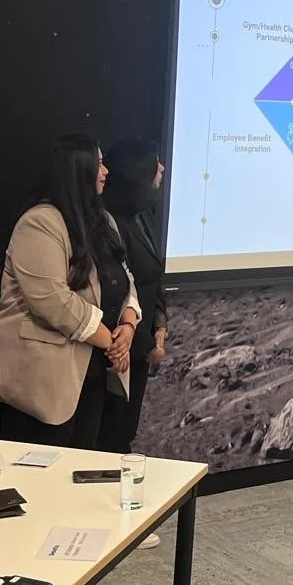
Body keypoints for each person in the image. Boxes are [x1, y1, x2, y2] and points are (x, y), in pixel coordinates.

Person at [0, 134, 142, 449]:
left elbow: (125, 278)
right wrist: (112, 343)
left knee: (82, 465)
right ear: (77, 170)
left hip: (94, 371)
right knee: (40, 472)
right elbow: (53, 301)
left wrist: (129, 323)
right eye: (98, 163)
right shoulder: (39, 223)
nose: (106, 171)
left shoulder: (103, 221)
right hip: (43, 381)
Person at [97, 137, 169, 454]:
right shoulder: (109, 224)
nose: (162, 168)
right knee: (109, 438)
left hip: (141, 344)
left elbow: (153, 277)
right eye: (154, 163)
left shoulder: (142, 216)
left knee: (123, 433)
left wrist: (160, 325)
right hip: (119, 350)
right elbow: (116, 294)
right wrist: (146, 345)